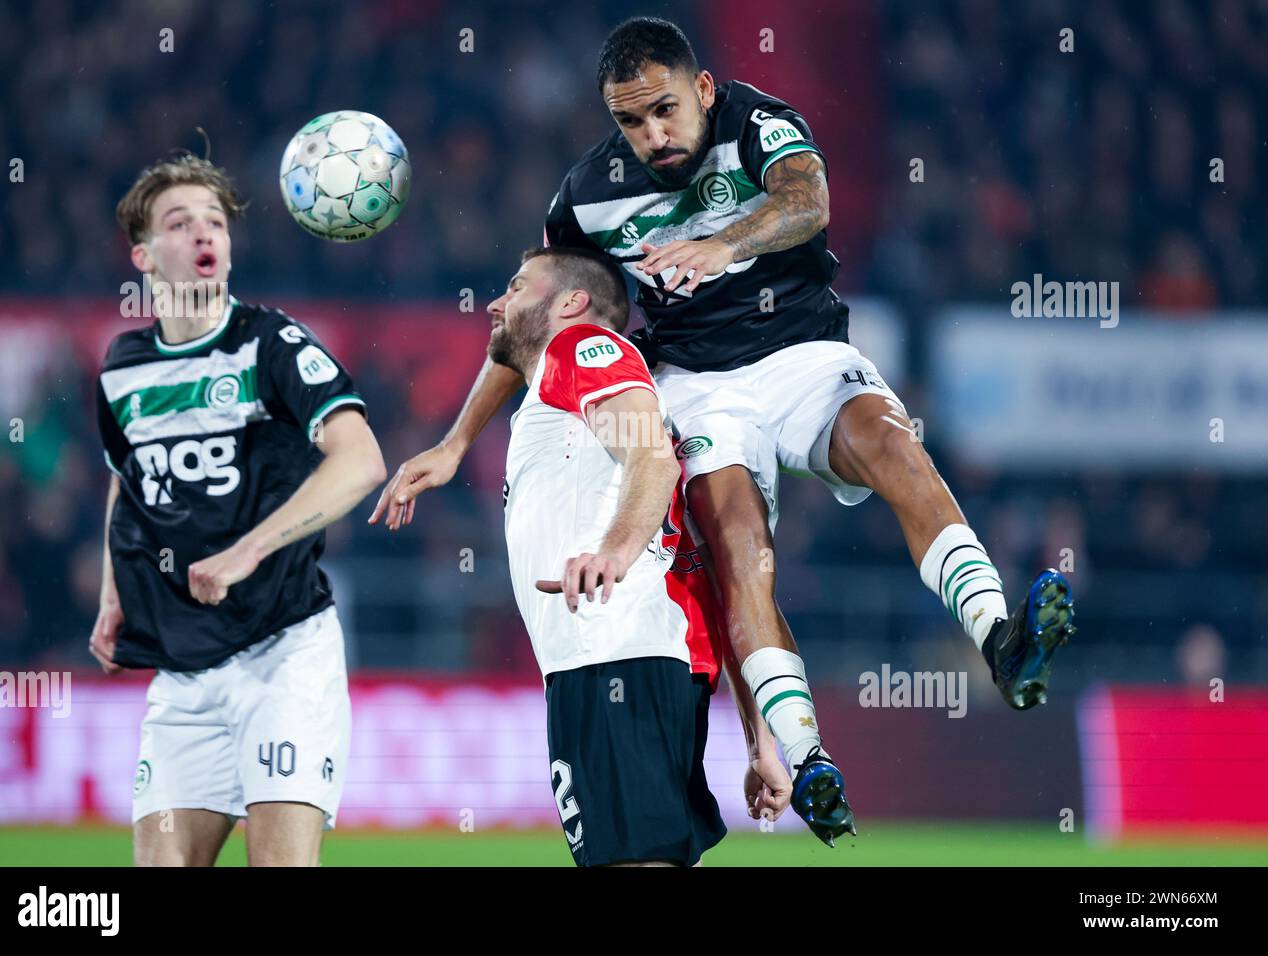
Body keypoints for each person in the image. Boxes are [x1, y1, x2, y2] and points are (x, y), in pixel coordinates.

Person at [372, 17, 1075, 847]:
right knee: (741, 547)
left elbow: (808, 201)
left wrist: (721, 242)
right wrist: (456, 442)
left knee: (893, 445)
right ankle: (808, 756)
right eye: (630, 121)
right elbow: (531, 314)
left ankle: (999, 637)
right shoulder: (585, 195)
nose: (652, 136)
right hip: (695, 388)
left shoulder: (756, 122)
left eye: (665, 111)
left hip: (802, 353)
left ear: (703, 88)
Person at [90, 153, 386, 866]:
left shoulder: (270, 344)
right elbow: (123, 479)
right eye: (179, 221)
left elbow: (361, 459)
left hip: (282, 651)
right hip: (184, 666)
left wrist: (249, 548)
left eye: (215, 221)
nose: (204, 233)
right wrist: (112, 597)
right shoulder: (123, 366)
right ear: (143, 255)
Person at [407, 245, 725, 865]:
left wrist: (614, 549)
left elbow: (651, 452)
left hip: (617, 651)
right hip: (597, 659)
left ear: (571, 304)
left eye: (518, 287)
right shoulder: (550, 392)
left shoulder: (580, 348)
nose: (496, 304)